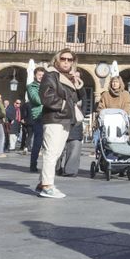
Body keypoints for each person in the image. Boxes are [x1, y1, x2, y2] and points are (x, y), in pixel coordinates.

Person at [37, 49, 83, 198]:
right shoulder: (51, 75)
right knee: (51, 152)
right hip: (54, 118)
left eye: (70, 59)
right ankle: (47, 186)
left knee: (56, 153)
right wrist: (65, 105)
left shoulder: (68, 78)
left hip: (65, 119)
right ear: (57, 59)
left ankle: (42, 183)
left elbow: (80, 98)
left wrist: (77, 83)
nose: (66, 62)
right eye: (63, 58)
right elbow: (46, 96)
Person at [26, 68, 45, 169]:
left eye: (43, 75)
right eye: (39, 74)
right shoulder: (31, 87)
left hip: (50, 115)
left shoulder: (47, 86)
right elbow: (37, 100)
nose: (41, 76)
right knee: (38, 141)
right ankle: (33, 164)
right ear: (35, 75)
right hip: (39, 116)